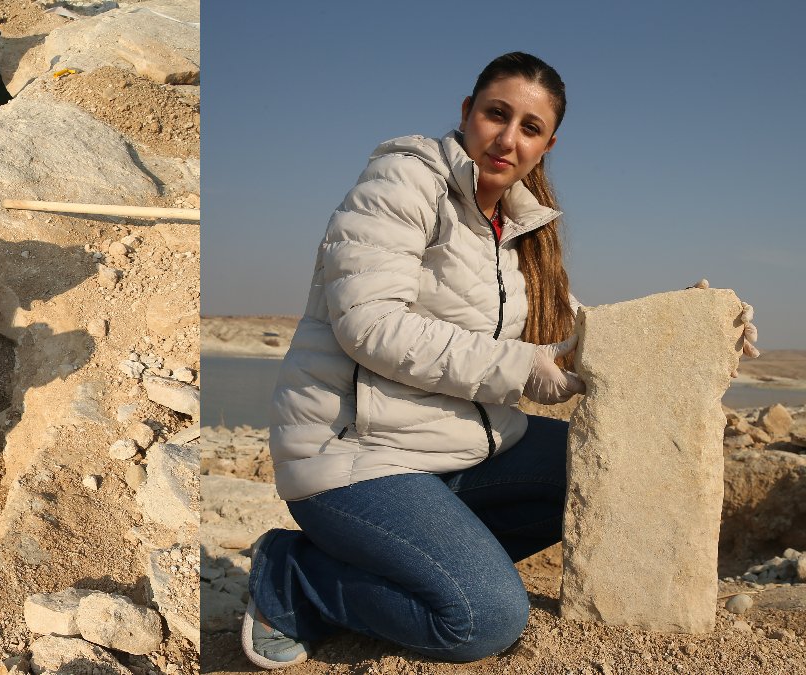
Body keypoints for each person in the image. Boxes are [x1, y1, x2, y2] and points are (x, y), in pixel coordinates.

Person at [241, 52, 760, 668]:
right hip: (356, 456)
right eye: (496, 114)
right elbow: (369, 325)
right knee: (483, 618)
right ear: (467, 112)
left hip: (463, 450)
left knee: (611, 472)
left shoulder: (519, 227)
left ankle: (427, 559)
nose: (508, 138)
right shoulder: (402, 184)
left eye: (530, 128)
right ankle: (295, 576)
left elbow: (572, 332)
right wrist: (522, 368)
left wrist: (690, 327)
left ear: (548, 144)